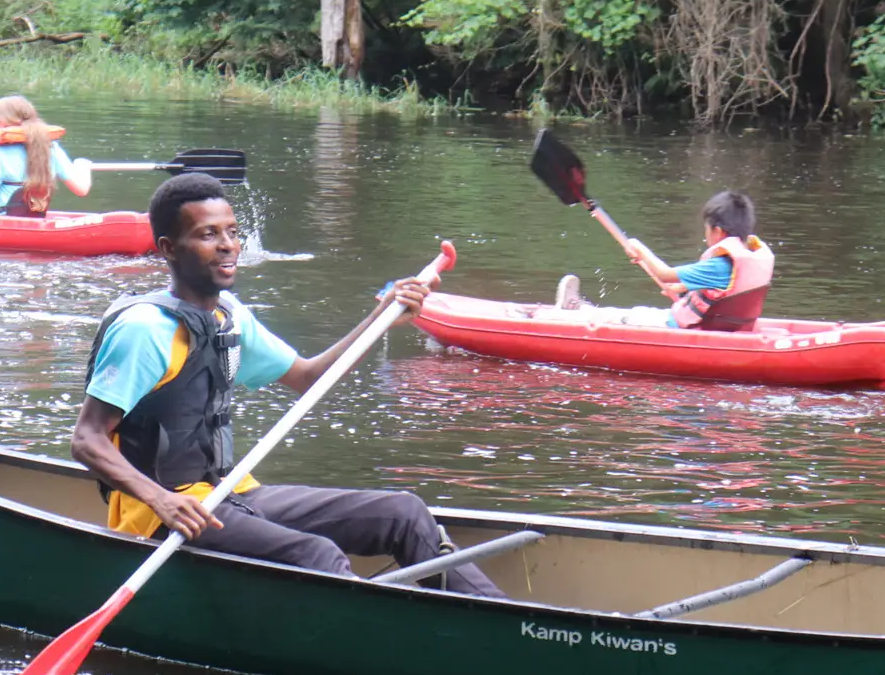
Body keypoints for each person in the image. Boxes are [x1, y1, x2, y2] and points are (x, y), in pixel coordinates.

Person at [69, 172, 504, 598]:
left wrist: (381, 318)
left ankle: (505, 621)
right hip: (163, 515)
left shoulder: (228, 315)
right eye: (208, 234)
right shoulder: (143, 330)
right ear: (169, 248)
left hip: (232, 492)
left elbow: (309, 378)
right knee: (318, 554)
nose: (228, 245)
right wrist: (161, 500)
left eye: (232, 231)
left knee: (404, 513)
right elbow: (88, 440)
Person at [555, 190, 774, 331]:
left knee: (626, 317)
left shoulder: (719, 265)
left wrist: (638, 247)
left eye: (706, 228)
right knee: (638, 312)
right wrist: (680, 288)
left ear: (718, 231)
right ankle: (580, 308)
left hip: (678, 327)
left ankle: (575, 311)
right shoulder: (746, 256)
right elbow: (721, 290)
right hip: (719, 327)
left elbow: (664, 274)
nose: (705, 233)